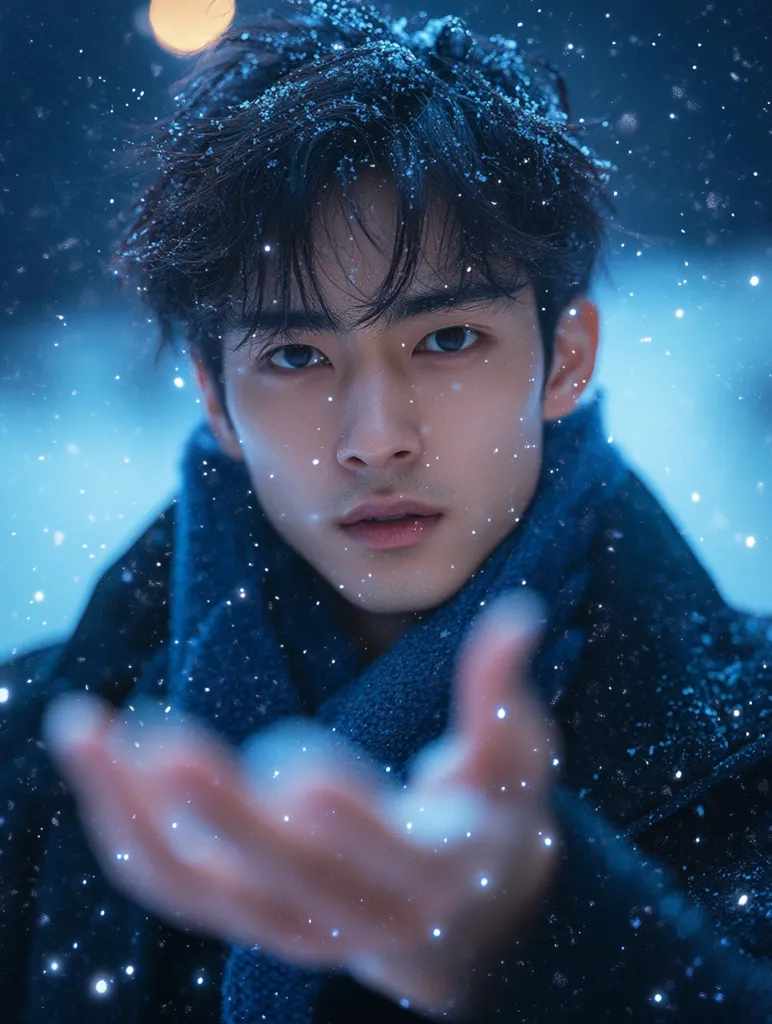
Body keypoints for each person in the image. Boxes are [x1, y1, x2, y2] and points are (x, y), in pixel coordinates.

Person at [1, 2, 771, 1021]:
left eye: (447, 339)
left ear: (565, 358)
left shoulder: (748, 750)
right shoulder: (39, 756)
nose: (374, 435)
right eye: (294, 355)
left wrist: (549, 938)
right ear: (213, 397)